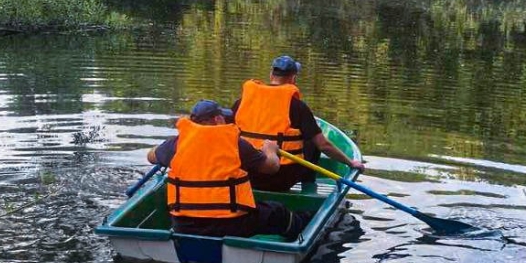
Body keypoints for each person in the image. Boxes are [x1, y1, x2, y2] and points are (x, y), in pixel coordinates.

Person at [147, 99, 312, 239]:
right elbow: (271, 167)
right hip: (231, 225)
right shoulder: (235, 143)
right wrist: (270, 149)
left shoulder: (175, 144)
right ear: (218, 119)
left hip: (184, 225)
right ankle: (303, 231)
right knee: (277, 212)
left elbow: (150, 156)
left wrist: (165, 147)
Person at [233, 55, 364, 192]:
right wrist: (351, 162)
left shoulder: (242, 102)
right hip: (280, 178)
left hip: (245, 175)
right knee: (311, 139)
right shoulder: (298, 107)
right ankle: (308, 186)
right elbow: (323, 145)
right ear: (293, 78)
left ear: (271, 74)